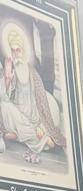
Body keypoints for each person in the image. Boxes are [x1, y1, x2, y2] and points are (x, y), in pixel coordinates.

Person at [0, 27, 65, 162]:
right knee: (4, 106)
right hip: (17, 113)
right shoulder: (10, 70)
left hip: (34, 115)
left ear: (23, 51)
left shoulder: (32, 73)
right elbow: (4, 97)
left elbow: (41, 101)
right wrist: (7, 79)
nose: (15, 54)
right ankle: (34, 137)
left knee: (19, 132)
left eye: (18, 50)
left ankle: (28, 136)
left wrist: (41, 125)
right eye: (13, 50)